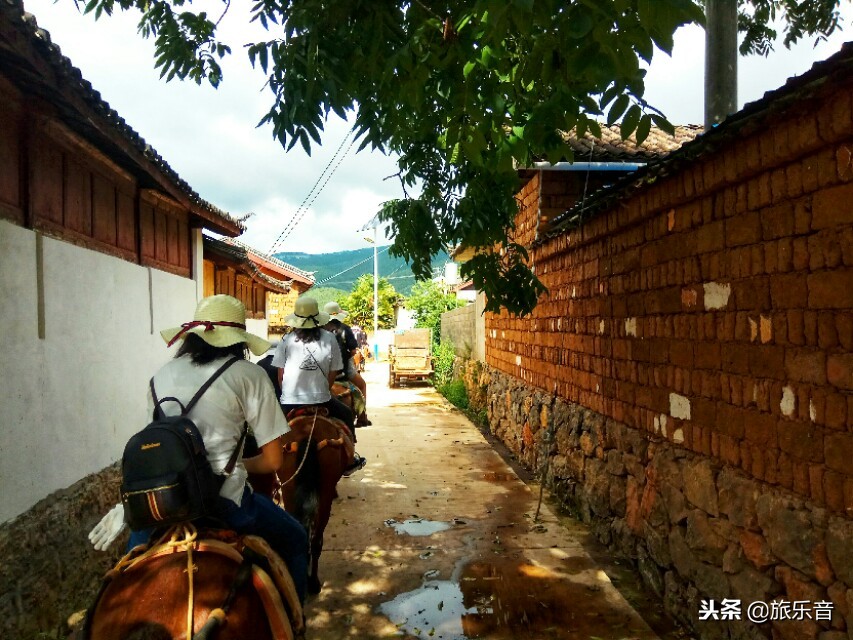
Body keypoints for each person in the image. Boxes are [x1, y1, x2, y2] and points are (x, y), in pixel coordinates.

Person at [89, 295, 310, 604]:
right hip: (225, 505)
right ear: (238, 340)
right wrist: (238, 465)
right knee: (296, 540)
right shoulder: (249, 375)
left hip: (163, 503)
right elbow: (273, 461)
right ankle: (296, 625)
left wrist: (132, 507)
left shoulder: (161, 375)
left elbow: (156, 446)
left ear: (193, 335)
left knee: (125, 579)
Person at [272, 297, 365, 474]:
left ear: (297, 320)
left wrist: (287, 393)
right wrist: (324, 390)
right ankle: (350, 460)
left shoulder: (286, 340)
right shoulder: (329, 338)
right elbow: (334, 371)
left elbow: (280, 375)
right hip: (322, 399)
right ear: (318, 319)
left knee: (269, 427)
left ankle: (266, 462)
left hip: (290, 400)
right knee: (345, 413)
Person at [323, 301, 372, 426]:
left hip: (322, 369)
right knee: (362, 385)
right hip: (343, 368)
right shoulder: (345, 329)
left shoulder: (320, 330)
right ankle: (362, 417)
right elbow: (354, 351)